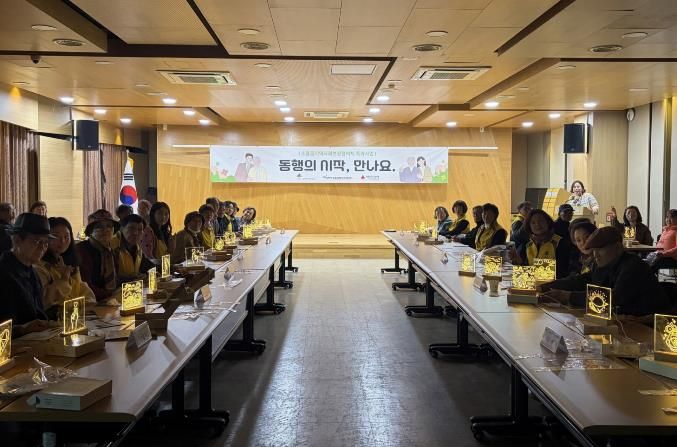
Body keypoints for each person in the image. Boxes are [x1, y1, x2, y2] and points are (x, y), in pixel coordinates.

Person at [539, 227, 671, 315]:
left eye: (600, 249)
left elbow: (613, 298)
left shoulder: (633, 266)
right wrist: (547, 285)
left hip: (649, 326)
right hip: (623, 322)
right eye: (593, 250)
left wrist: (567, 296)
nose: (595, 255)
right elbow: (582, 280)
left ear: (618, 247)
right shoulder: (603, 264)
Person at [0, 213, 52, 335]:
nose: (42, 247)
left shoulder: (32, 271)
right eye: (37, 241)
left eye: (46, 242)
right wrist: (22, 329)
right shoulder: (4, 273)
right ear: (17, 240)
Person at [36, 217, 95, 319]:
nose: (62, 241)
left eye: (66, 236)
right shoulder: (39, 266)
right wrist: (64, 279)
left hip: (76, 316)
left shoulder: (70, 262)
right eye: (56, 236)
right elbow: (45, 301)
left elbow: (82, 290)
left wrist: (87, 303)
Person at [513, 209, 570, 278]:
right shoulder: (527, 244)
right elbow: (523, 274)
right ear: (529, 226)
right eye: (533, 223)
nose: (537, 225)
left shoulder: (560, 242)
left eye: (541, 221)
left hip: (554, 284)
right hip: (532, 283)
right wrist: (519, 262)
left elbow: (563, 273)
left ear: (548, 222)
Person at [77, 215, 120, 302]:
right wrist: (111, 295)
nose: (105, 230)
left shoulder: (110, 250)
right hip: (89, 301)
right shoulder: (82, 250)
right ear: (90, 231)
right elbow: (85, 285)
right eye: (99, 227)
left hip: (108, 301)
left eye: (109, 226)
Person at [114, 214, 154, 285]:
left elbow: (148, 266)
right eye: (131, 228)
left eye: (140, 230)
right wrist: (133, 278)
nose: (135, 233)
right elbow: (110, 278)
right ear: (122, 228)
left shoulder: (137, 248)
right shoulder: (113, 247)